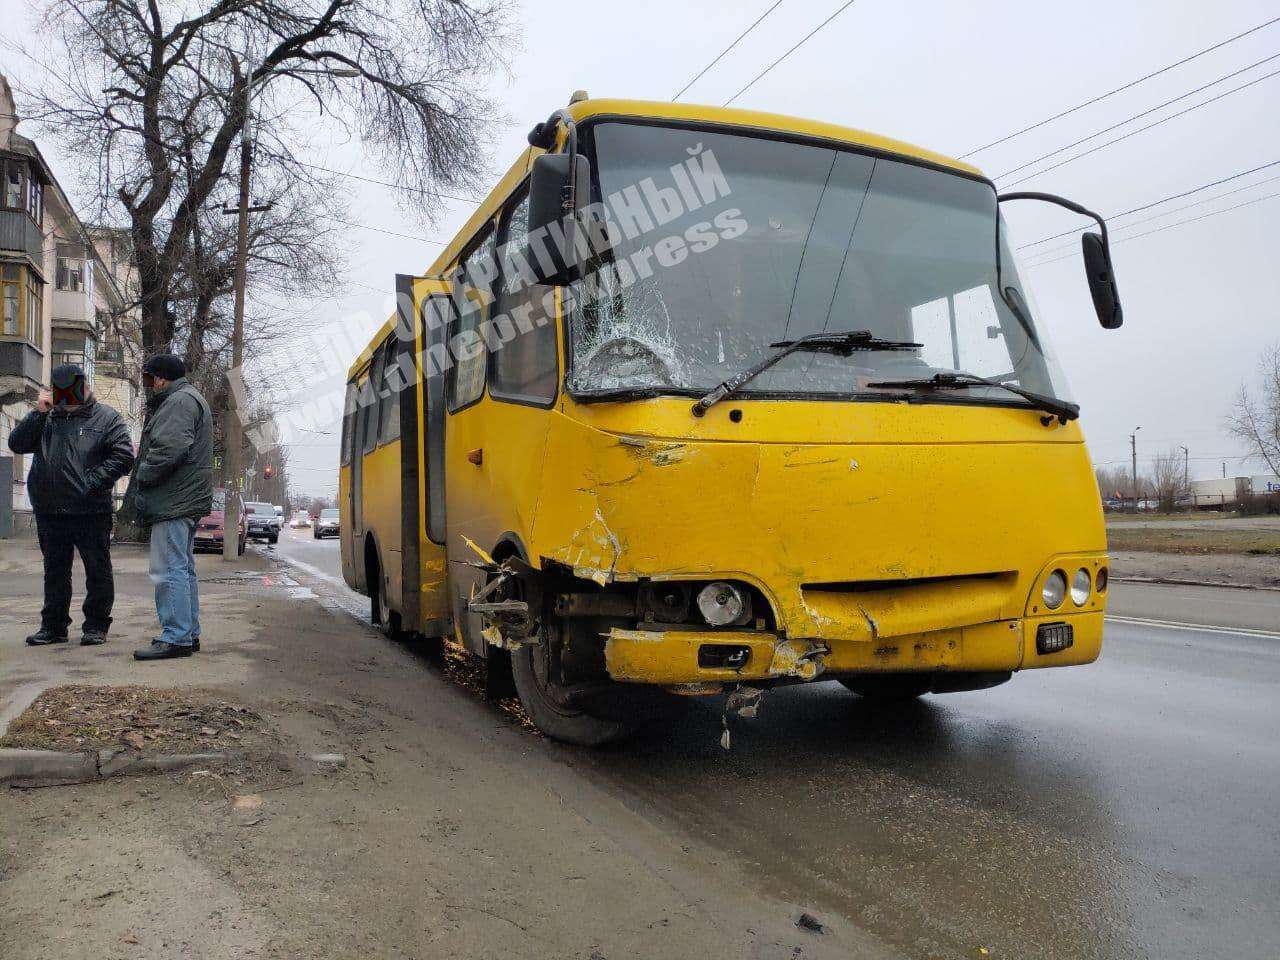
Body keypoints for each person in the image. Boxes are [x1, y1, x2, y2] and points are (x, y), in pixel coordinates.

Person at [7, 363, 136, 646]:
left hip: (90, 510)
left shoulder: (106, 418)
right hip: (51, 510)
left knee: (97, 569)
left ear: (84, 386)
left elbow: (124, 456)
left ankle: (96, 625)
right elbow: (17, 444)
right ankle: (53, 626)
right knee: (54, 571)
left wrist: (90, 483)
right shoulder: (47, 418)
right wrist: (38, 413)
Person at [125, 354, 214, 662]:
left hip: (173, 500)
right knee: (182, 567)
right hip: (183, 499)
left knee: (168, 569)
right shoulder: (190, 398)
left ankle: (175, 636)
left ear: (161, 379)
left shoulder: (178, 402)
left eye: (150, 380)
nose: (150, 386)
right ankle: (187, 633)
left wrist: (143, 475)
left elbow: (170, 448)